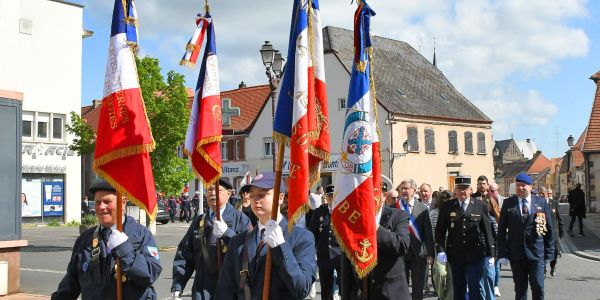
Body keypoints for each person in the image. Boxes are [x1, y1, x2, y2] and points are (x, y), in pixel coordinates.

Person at [51, 179, 162, 299]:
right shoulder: (86, 239)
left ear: (123, 202)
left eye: (107, 201)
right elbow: (70, 284)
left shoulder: (141, 234)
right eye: (98, 202)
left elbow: (149, 274)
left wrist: (124, 249)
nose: (101, 207)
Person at [215, 172, 317, 299]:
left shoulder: (302, 237)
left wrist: (281, 247)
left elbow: (302, 288)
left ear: (280, 198)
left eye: (262, 194)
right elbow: (225, 290)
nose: (256, 200)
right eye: (252, 196)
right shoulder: (238, 241)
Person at [171, 179, 251, 299]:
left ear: (229, 194)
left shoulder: (240, 219)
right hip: (202, 291)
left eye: (218, 190)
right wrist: (178, 284)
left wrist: (227, 234)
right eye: (209, 190)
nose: (212, 193)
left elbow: (248, 252)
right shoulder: (199, 221)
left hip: (230, 291)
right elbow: (185, 254)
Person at [435, 175, 495, 300]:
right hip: (455, 254)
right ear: (455, 190)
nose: (462, 191)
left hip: (475, 254)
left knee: (475, 288)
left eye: (465, 188)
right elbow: (440, 230)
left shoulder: (480, 205)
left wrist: (491, 253)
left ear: (470, 190)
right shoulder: (448, 206)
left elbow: (487, 230)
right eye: (459, 188)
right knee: (458, 288)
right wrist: (440, 250)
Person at [497, 173, 555, 300]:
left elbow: (550, 230)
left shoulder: (541, 203)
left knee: (538, 287)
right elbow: (501, 231)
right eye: (518, 185)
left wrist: (549, 253)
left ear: (531, 187)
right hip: (516, 255)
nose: (520, 188)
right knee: (520, 290)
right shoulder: (508, 203)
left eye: (523, 185)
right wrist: (502, 253)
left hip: (536, 254)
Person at [340, 203, 411, 299]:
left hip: (391, 293)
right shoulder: (354, 217)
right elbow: (347, 264)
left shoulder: (398, 215)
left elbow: (402, 245)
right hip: (364, 292)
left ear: (384, 196)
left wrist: (375, 228)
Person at [396, 179, 434, 300]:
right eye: (402, 188)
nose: (403, 191)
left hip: (419, 254)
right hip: (400, 254)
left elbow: (428, 233)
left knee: (418, 288)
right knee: (402, 287)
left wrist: (430, 253)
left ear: (413, 190)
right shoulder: (395, 207)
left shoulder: (423, 209)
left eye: (406, 188)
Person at [308, 185, 341, 300]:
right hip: (324, 254)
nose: (331, 198)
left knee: (344, 286)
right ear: (326, 196)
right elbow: (313, 233)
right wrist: (312, 251)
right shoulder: (319, 211)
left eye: (333, 196)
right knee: (326, 288)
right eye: (329, 196)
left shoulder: (343, 209)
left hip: (341, 254)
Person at [472, 175, 500, 299]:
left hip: (490, 238)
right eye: (479, 184)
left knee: (489, 274)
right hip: (476, 237)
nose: (481, 186)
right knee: (478, 276)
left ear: (487, 185)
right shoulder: (472, 198)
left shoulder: (491, 198)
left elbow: (498, 215)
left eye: (483, 183)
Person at [539, 187, 563, 276]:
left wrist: (561, 233)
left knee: (555, 251)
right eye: (540, 194)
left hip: (554, 232)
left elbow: (560, 218)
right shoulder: (537, 204)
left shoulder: (554, 203)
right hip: (542, 232)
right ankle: (544, 268)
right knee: (543, 251)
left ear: (546, 193)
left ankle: (553, 266)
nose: (541, 195)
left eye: (543, 193)